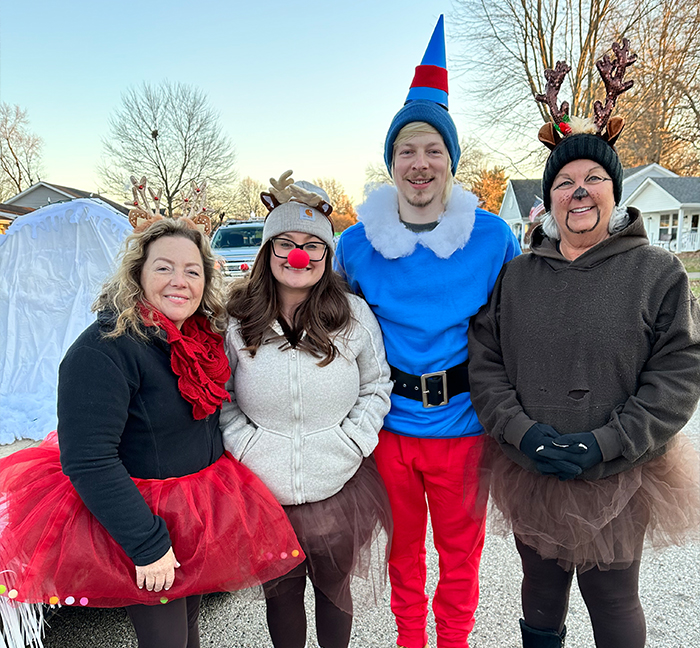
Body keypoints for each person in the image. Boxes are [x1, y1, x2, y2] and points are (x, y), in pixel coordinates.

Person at [468, 40, 700, 648]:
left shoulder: (658, 274)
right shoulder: (516, 277)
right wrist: (522, 432)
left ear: (613, 192)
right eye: (565, 181)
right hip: (533, 465)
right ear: (546, 199)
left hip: (618, 471)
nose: (579, 191)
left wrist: (608, 442)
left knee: (614, 597)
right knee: (540, 592)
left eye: (594, 178)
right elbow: (486, 362)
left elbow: (678, 375)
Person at [0, 215, 304, 648]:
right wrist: (147, 545)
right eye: (164, 267)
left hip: (193, 511)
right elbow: (88, 460)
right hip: (143, 521)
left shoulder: (197, 338)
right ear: (137, 274)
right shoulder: (103, 349)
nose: (180, 281)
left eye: (192, 271)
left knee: (190, 629)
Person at [334, 16, 520, 648]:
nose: (420, 163)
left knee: (460, 560)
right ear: (391, 161)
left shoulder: (493, 237)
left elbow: (524, 322)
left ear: (451, 161)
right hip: (390, 428)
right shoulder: (356, 245)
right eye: (407, 150)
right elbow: (329, 327)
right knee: (403, 558)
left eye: (433, 149)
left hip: (465, 428)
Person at [220, 174, 394, 648]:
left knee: (334, 588)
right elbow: (221, 396)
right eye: (286, 243)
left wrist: (353, 441)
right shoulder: (237, 320)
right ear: (268, 252)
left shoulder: (353, 314)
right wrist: (248, 446)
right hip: (264, 488)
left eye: (312, 245)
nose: (299, 256)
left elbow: (378, 385)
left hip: (338, 484)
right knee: (281, 595)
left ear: (326, 254)